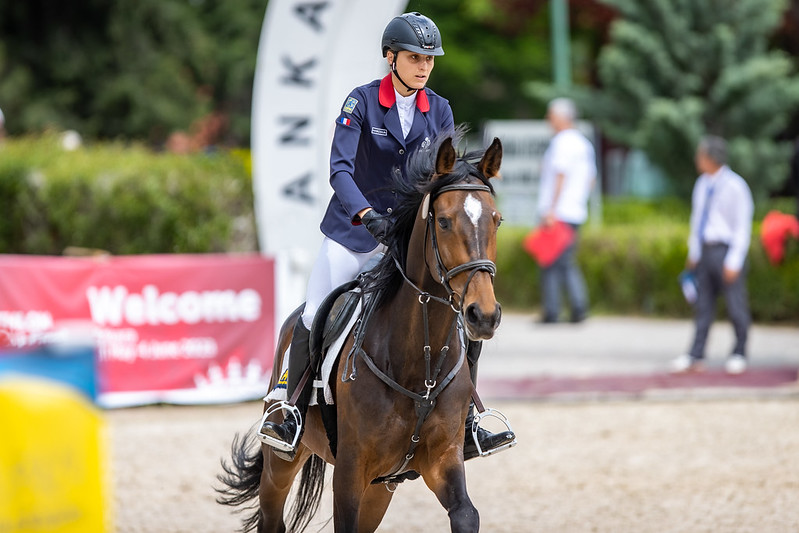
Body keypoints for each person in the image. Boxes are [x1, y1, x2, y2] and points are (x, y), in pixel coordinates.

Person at [258, 12, 515, 461]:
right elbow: (339, 170)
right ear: (390, 57)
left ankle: (470, 419)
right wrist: (366, 214)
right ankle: (289, 409)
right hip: (352, 234)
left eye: (429, 59)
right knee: (316, 310)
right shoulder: (360, 103)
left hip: (407, 242)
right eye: (415, 58)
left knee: (458, 312)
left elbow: (445, 176)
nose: (424, 67)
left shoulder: (438, 109)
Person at [671, 135, 754, 374]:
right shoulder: (702, 184)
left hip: (726, 251)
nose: (697, 159)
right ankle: (696, 354)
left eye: (701, 155)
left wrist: (734, 260)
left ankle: (739, 352)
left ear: (711, 158)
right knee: (703, 306)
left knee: (736, 305)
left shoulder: (735, 186)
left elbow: (742, 226)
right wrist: (694, 251)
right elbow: (697, 220)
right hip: (706, 251)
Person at [536, 97, 595, 323]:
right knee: (565, 260)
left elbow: (560, 175)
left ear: (561, 117)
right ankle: (577, 307)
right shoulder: (583, 143)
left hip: (558, 213)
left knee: (551, 261)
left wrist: (551, 209)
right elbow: (591, 179)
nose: (548, 120)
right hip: (575, 211)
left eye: (550, 115)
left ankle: (554, 311)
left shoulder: (562, 142)